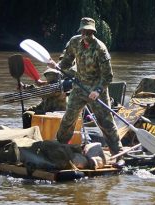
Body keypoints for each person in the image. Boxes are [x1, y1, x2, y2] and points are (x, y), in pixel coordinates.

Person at [47, 17, 123, 162]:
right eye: (84, 31)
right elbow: (66, 61)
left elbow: (108, 76)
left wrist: (98, 91)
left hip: (96, 89)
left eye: (89, 32)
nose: (86, 35)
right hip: (79, 87)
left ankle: (118, 153)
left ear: (93, 32)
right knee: (69, 117)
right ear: (80, 31)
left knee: (105, 122)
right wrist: (55, 65)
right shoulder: (74, 42)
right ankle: (61, 145)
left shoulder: (100, 49)